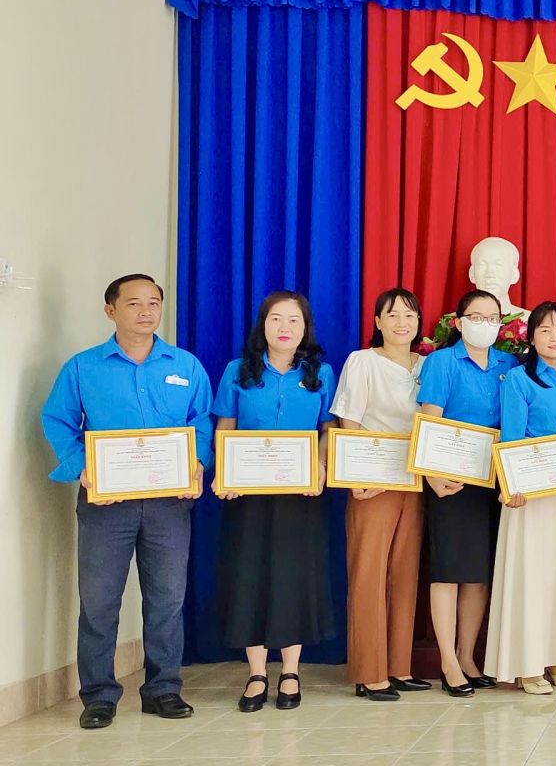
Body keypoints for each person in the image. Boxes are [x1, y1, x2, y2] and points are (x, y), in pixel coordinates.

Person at [41, 274, 211, 729]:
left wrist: (196, 463)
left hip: (168, 503)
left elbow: (202, 422)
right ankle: (99, 695)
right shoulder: (83, 367)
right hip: (106, 504)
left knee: (167, 599)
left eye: (154, 302)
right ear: (110, 310)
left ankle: (163, 689)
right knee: (99, 602)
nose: (146, 311)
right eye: (134, 303)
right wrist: (82, 466)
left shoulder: (186, 365)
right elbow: (57, 420)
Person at [212, 291, 337, 711]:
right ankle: (256, 673)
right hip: (248, 494)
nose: (285, 328)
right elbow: (225, 427)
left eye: (294, 321)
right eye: (276, 319)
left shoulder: (321, 373)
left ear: (305, 328)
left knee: (294, 579)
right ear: (262, 325)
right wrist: (224, 473)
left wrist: (321, 467)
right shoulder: (237, 371)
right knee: (250, 576)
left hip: (301, 494)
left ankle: (290, 671)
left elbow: (327, 430)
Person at [486, 302, 556, 694]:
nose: (555, 337)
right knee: (532, 577)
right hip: (530, 494)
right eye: (546, 330)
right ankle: (527, 664)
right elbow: (512, 437)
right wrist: (511, 486)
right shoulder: (518, 380)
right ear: (531, 339)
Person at [418, 289, 518, 697]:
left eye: (493, 318)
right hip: (450, 480)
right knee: (448, 570)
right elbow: (429, 420)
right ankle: (447, 660)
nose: (485, 324)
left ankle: (468, 656)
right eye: (476, 317)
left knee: (478, 573)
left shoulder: (509, 365)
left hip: (493, 480)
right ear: (458, 323)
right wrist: (431, 476)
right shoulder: (442, 362)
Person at [331, 287, 428, 702]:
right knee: (369, 572)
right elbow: (349, 422)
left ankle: (399, 667)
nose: (401, 322)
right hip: (373, 480)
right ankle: (369, 672)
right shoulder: (363, 361)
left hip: (415, 478)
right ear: (377, 322)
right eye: (392, 315)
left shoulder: (427, 365)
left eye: (409, 315)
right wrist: (354, 475)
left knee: (405, 573)